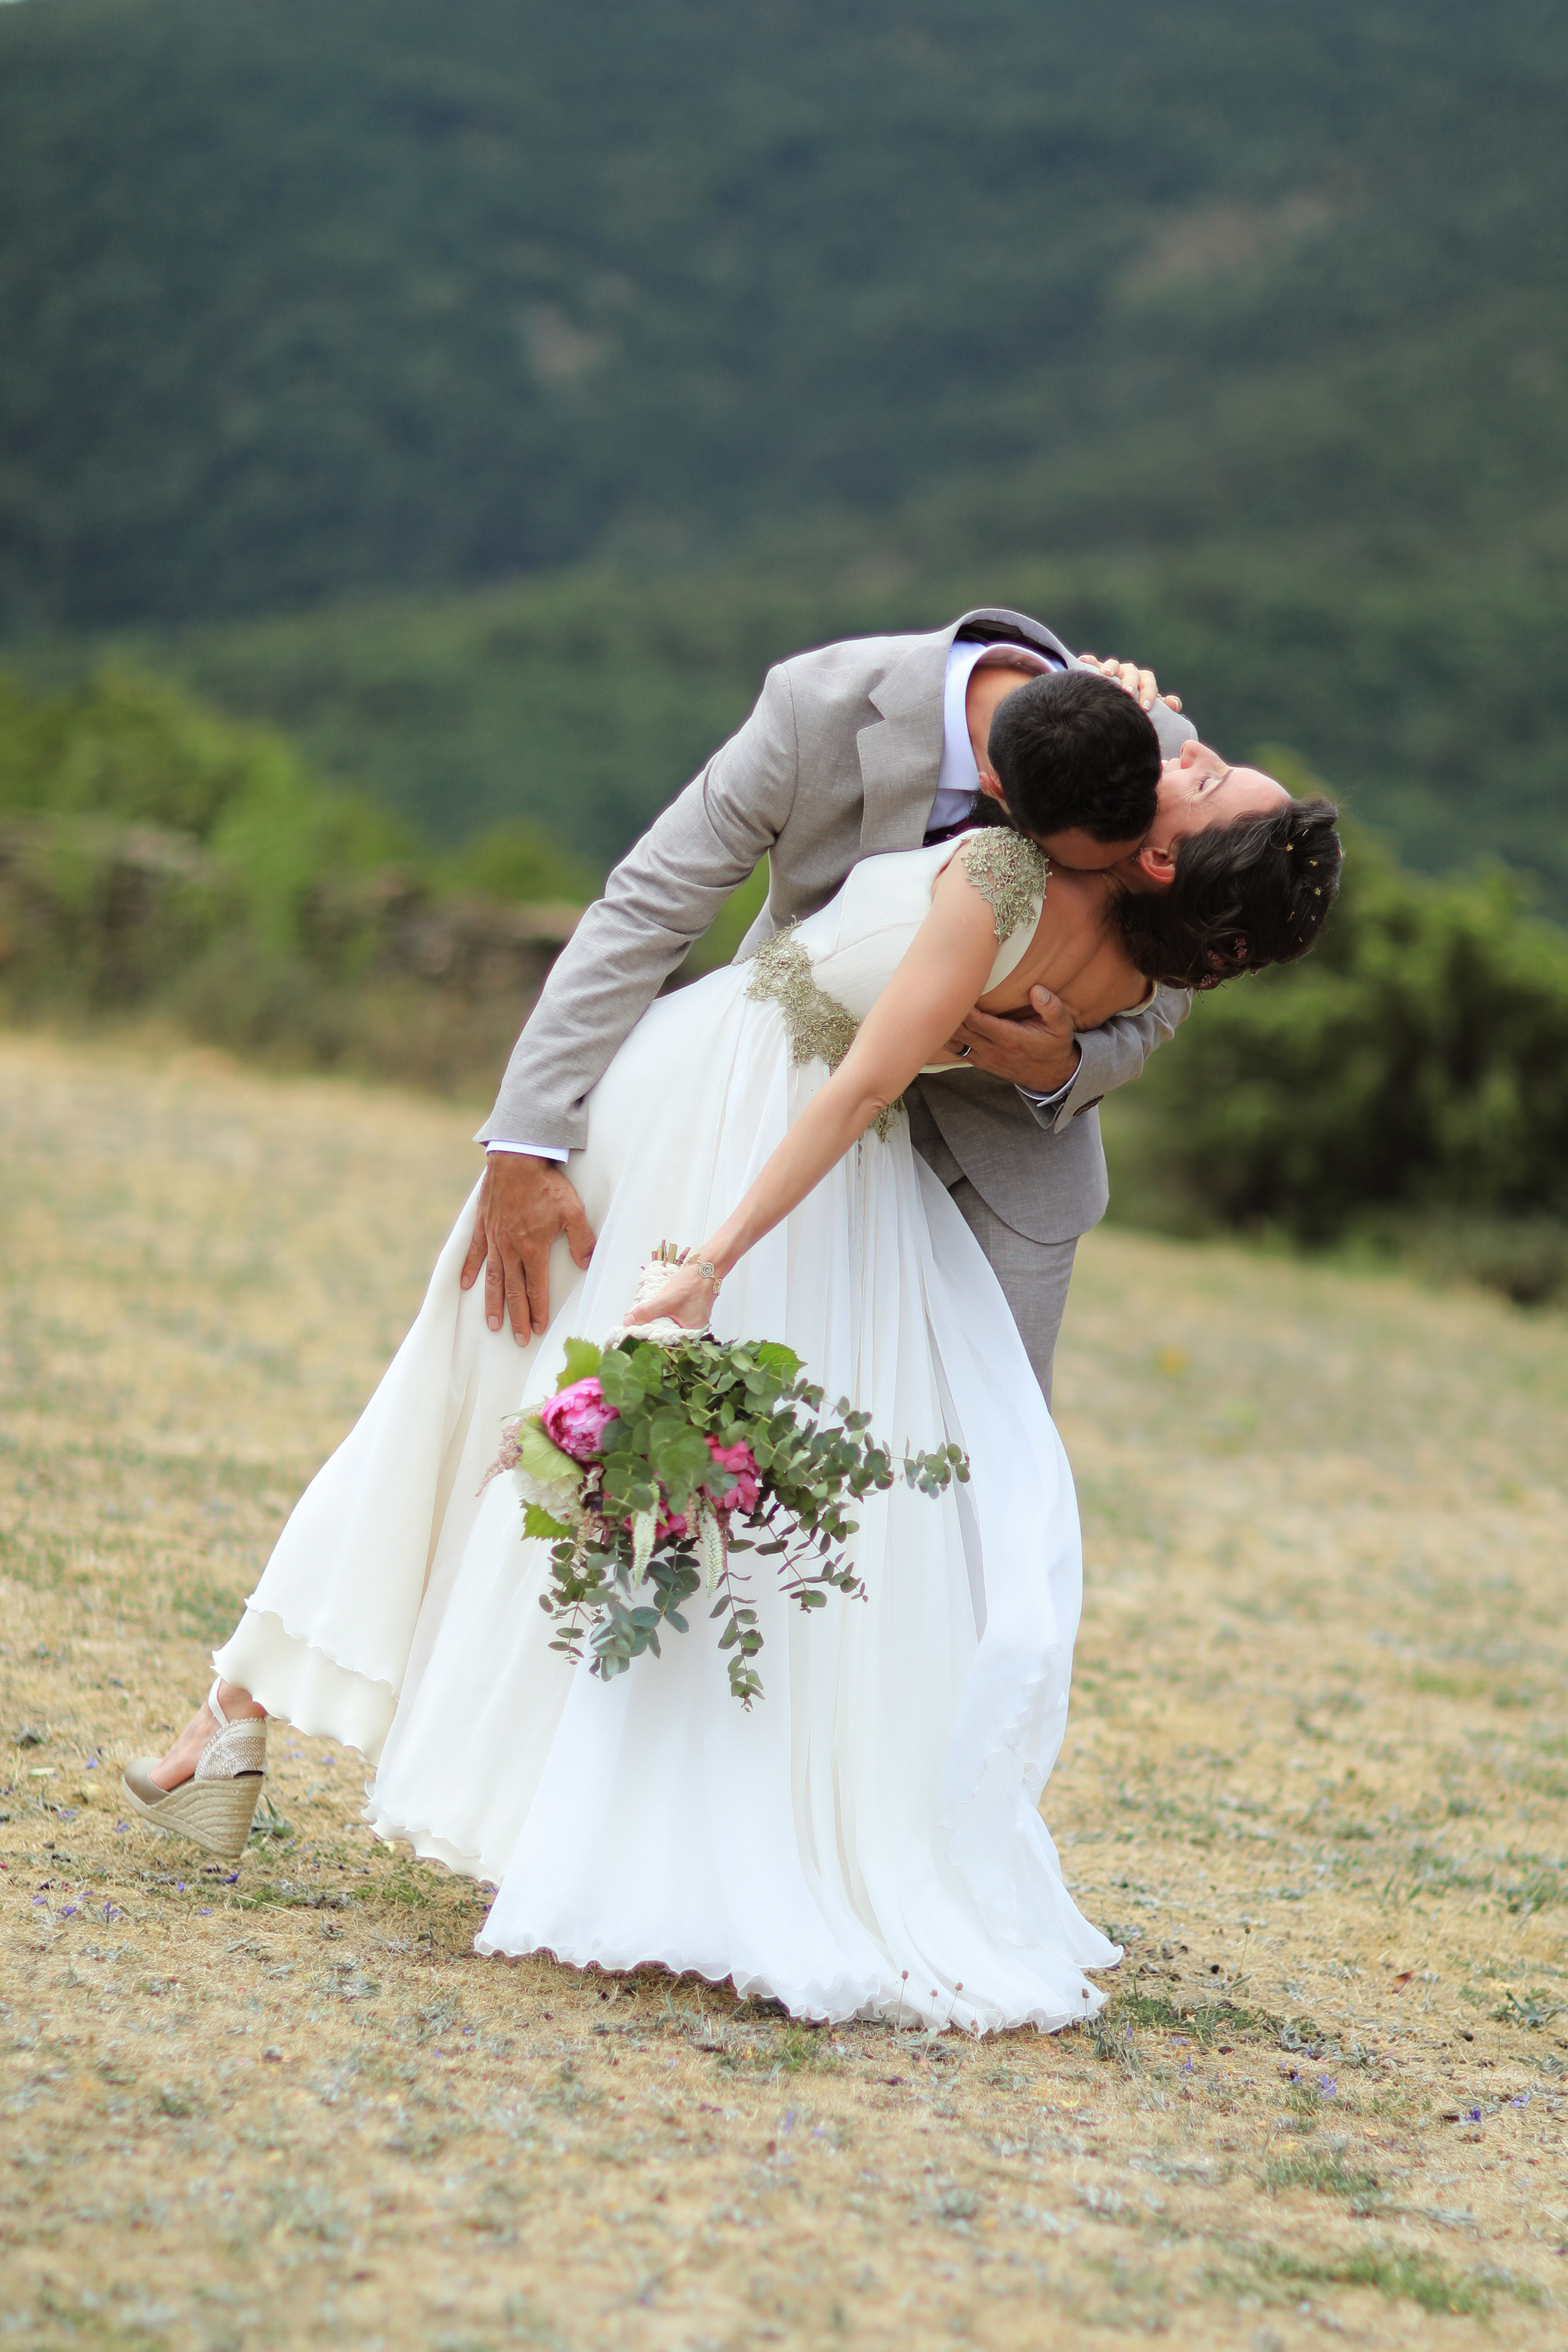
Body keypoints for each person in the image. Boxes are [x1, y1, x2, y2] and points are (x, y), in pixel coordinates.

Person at [123, 650, 1343, 2036]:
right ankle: (253, 1723)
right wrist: (530, 1133)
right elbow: (653, 898)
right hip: (737, 1120)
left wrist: (1046, 1061)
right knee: (553, 1409)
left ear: (1150, 858)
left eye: (1195, 777)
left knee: (767, 1501)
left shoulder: (1106, 831)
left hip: (831, 1156)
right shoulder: (953, 731)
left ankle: (666, 1827)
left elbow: (1167, 978)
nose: (1188, 753)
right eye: (1181, 759)